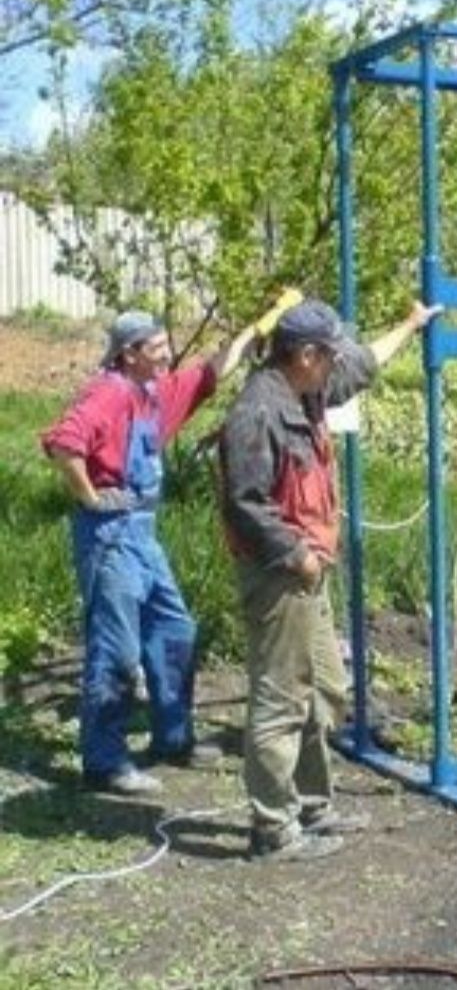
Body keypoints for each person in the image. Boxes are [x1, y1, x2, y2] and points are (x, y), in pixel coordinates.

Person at [219, 297, 441, 862]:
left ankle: (313, 805)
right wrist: (297, 554)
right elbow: (245, 502)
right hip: (280, 575)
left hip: (307, 572)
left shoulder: (306, 389)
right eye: (329, 354)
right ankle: (271, 829)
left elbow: (363, 364)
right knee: (281, 697)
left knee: (323, 689)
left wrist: (412, 325)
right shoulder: (259, 412)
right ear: (306, 354)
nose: (335, 364)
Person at [42, 307, 266, 795]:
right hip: (111, 537)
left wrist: (256, 329)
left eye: (166, 345)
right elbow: (65, 444)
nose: (167, 354)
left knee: (174, 628)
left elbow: (208, 372)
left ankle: (173, 737)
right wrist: (91, 497)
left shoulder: (151, 393)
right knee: (117, 648)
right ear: (129, 353)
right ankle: (105, 761)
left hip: (143, 533)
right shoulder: (108, 392)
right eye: (157, 347)